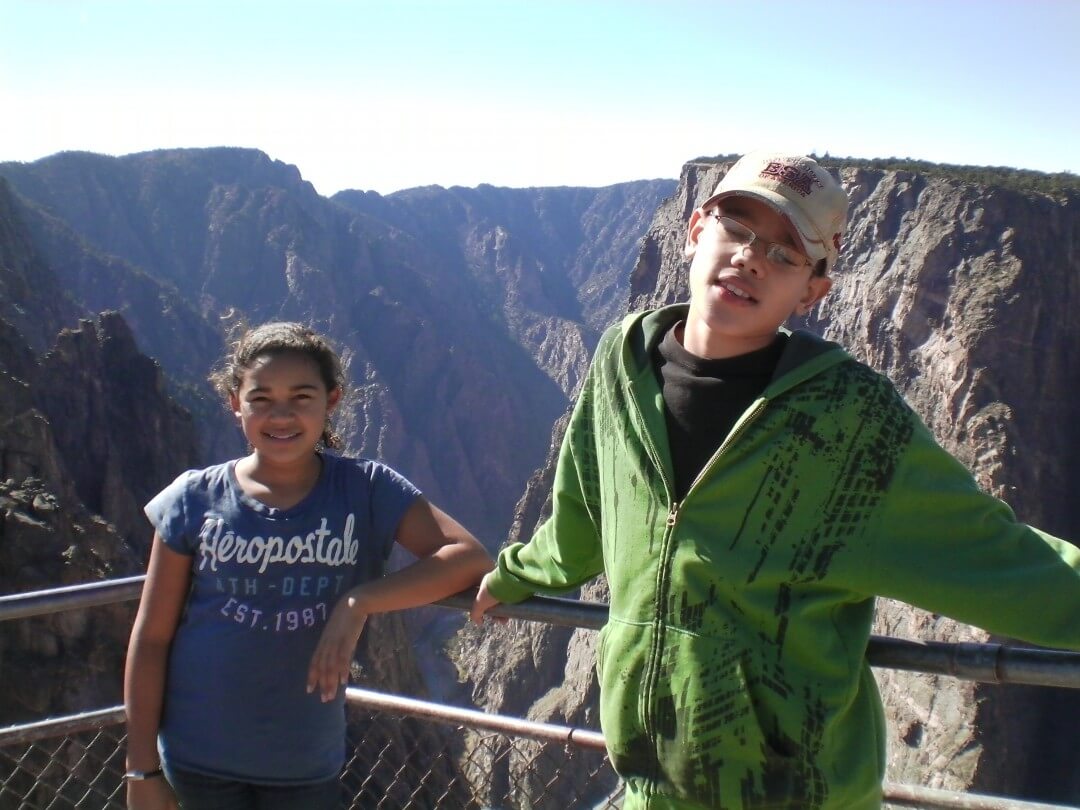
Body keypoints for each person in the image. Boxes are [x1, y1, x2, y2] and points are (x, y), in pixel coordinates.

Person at [470, 152, 1080, 809]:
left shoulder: (851, 424)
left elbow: (1008, 565)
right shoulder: (622, 361)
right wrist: (515, 574)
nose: (751, 259)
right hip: (652, 791)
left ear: (814, 290)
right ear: (696, 229)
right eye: (737, 228)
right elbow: (585, 513)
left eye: (787, 254)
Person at [124, 321, 492, 810]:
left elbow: (469, 557)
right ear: (236, 402)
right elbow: (152, 639)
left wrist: (358, 601)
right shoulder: (193, 498)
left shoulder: (366, 490)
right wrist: (141, 767)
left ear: (331, 401)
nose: (281, 415)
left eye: (301, 396)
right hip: (197, 760)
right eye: (261, 398)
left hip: (302, 765)